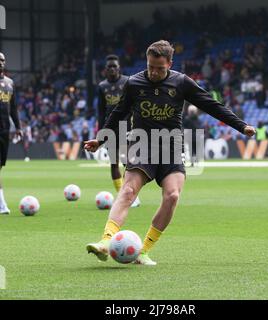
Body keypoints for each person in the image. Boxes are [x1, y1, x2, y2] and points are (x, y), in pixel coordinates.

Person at [84, 40, 256, 265]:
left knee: (173, 196)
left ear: (170, 64)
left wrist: (241, 126)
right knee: (128, 190)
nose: (154, 72)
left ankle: (142, 251)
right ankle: (106, 241)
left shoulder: (181, 82)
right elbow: (119, 112)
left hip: (171, 146)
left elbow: (212, 105)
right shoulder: (135, 83)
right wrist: (100, 138)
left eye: (160, 68)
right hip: (141, 144)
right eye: (150, 66)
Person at [98, 54, 140, 207]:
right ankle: (121, 195)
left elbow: (135, 104)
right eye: (109, 66)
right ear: (105, 70)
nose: (112, 69)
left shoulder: (127, 82)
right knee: (113, 163)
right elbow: (101, 111)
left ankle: (131, 194)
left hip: (127, 126)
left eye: (114, 66)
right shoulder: (102, 87)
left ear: (119, 67)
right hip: (110, 128)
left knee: (128, 163)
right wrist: (100, 132)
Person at [0, 52, 23, 214]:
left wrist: (18, 127)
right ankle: (2, 204)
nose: (0, 62)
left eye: (2, 60)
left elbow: (13, 108)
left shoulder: (10, 83)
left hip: (5, 130)